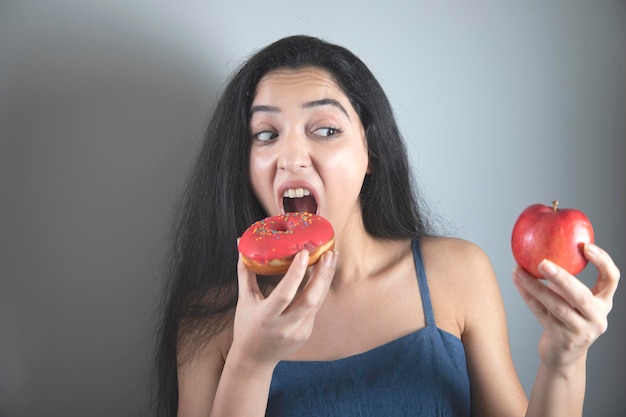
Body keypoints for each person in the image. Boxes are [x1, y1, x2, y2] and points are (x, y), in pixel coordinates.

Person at [154, 35, 620, 417]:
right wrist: (250, 363)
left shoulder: (457, 274)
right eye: (267, 135)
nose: (291, 158)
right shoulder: (209, 319)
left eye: (326, 129)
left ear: (371, 154)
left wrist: (563, 360)